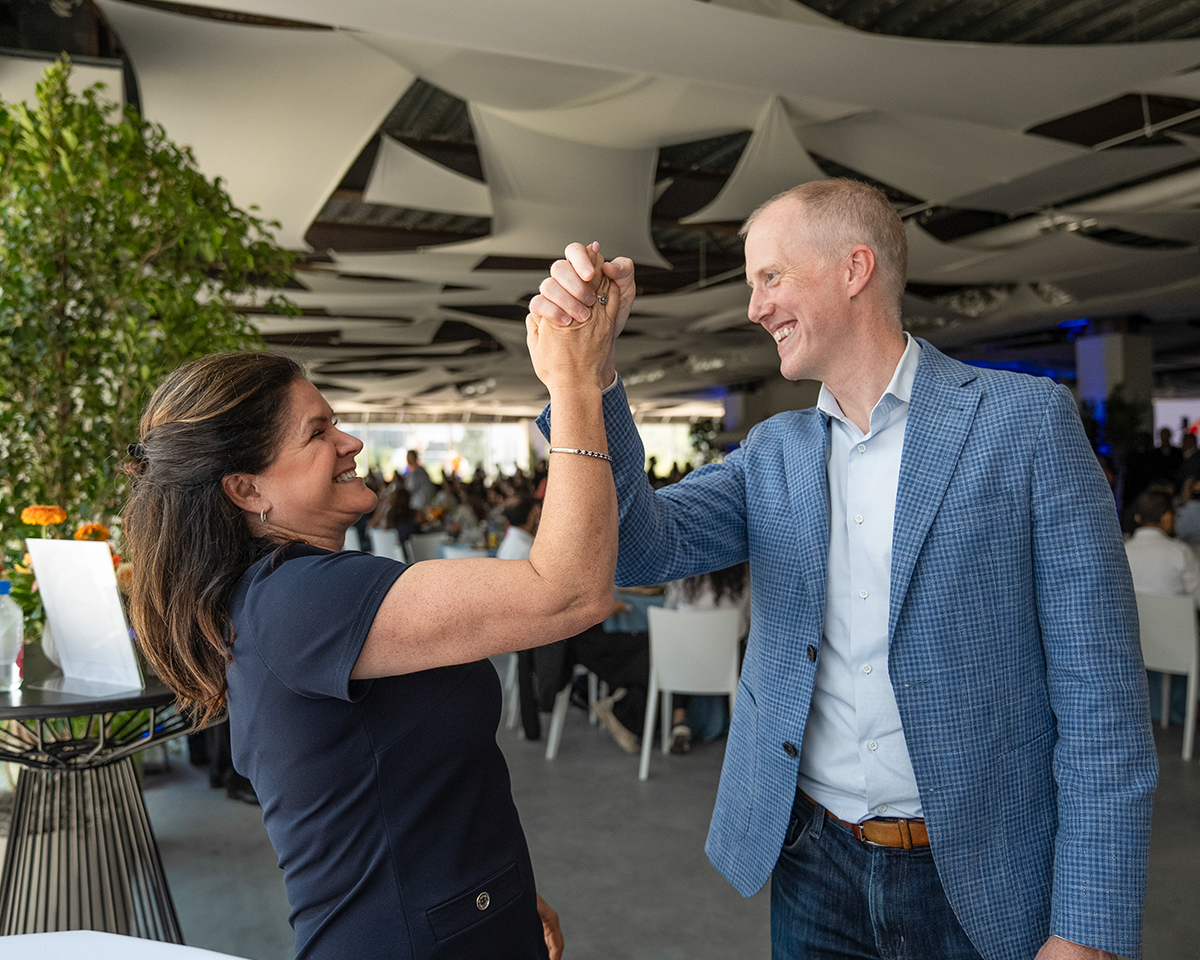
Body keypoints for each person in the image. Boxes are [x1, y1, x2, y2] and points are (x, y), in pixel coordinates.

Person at [529, 179, 1156, 960]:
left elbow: (1103, 702)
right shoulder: (773, 454)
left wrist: (1087, 930)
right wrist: (589, 383)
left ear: (854, 269)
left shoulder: (1023, 425)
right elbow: (641, 546)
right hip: (813, 860)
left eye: (771, 278)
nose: (755, 308)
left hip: (975, 873)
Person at [121, 277, 620, 960]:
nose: (351, 440)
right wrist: (576, 385)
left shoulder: (297, 594)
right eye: (319, 432)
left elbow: (403, 782)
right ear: (247, 489)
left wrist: (502, 888)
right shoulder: (302, 600)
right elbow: (569, 592)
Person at [1124, 488, 1199, 727]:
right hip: (1178, 652)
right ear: (1167, 518)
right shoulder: (1180, 553)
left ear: (1138, 518)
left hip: (1136, 645)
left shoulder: (1121, 551)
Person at [662, 562, 750, 753]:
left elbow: (669, 610)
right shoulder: (744, 580)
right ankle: (741, 726)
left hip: (683, 668)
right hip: (728, 668)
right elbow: (749, 621)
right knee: (742, 643)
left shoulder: (681, 576)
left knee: (680, 645)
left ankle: (679, 721)